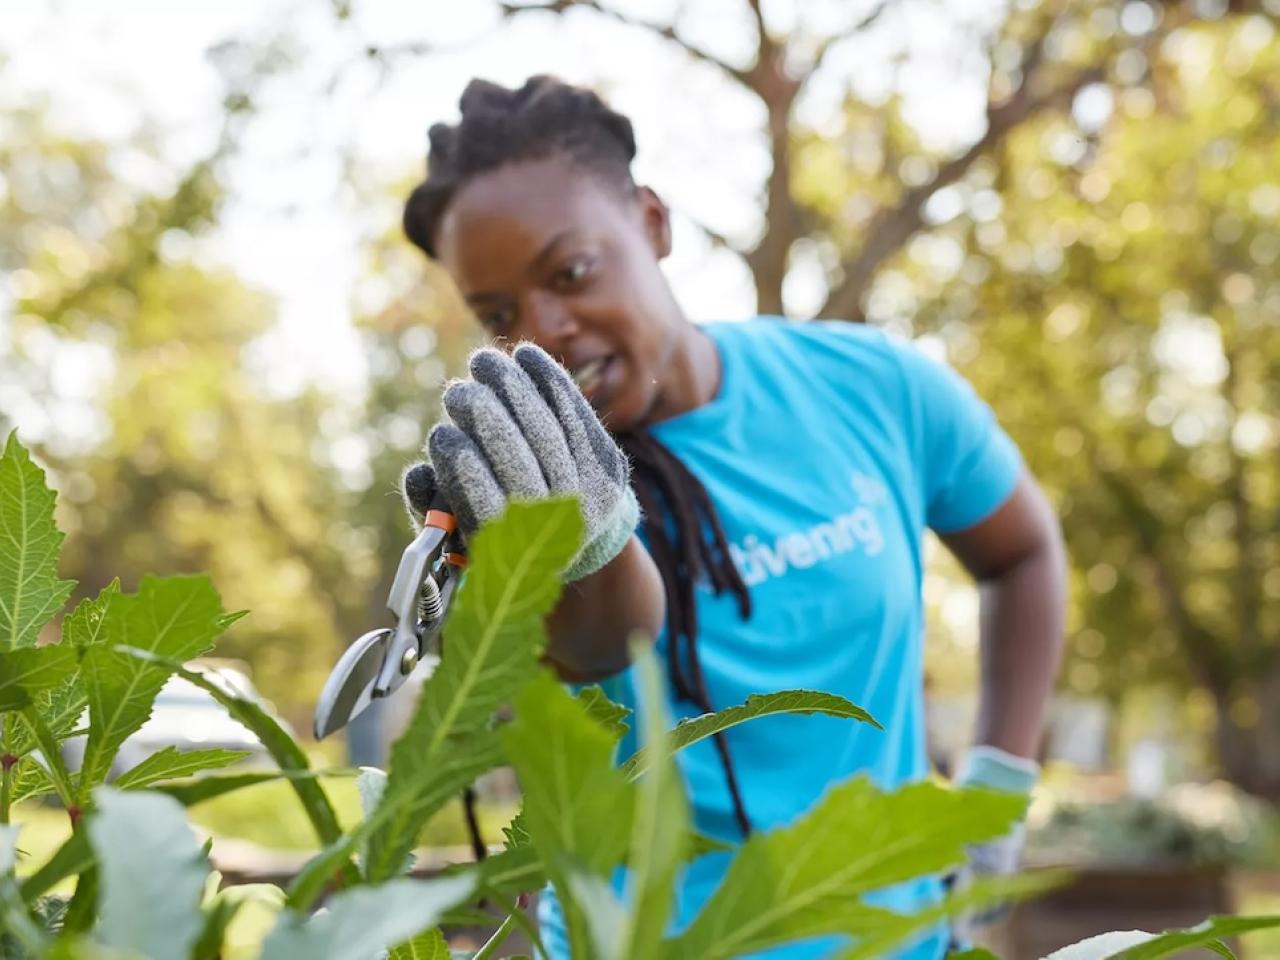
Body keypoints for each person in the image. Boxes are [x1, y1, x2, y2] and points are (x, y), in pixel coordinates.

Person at [396, 75, 1067, 959]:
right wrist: (576, 543)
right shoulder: (526, 491)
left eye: (570, 272)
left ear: (652, 223)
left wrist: (1000, 784)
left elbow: (1022, 553)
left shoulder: (876, 389)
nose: (543, 331)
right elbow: (608, 645)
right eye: (498, 315)